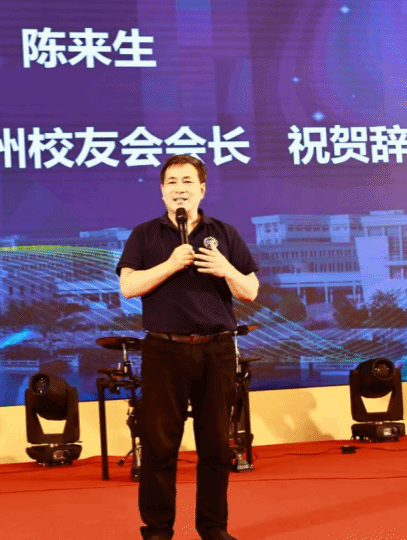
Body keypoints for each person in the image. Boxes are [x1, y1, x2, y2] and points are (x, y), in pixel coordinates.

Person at [116, 154, 259, 540]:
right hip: (164, 351)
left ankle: (213, 527)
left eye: (187, 181)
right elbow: (128, 287)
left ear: (202, 189)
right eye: (172, 182)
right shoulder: (145, 235)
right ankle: (158, 529)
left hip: (217, 350)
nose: (180, 189)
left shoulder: (224, 233)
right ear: (162, 191)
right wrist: (171, 264)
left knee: (215, 444)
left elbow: (250, 291)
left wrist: (226, 269)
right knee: (160, 445)